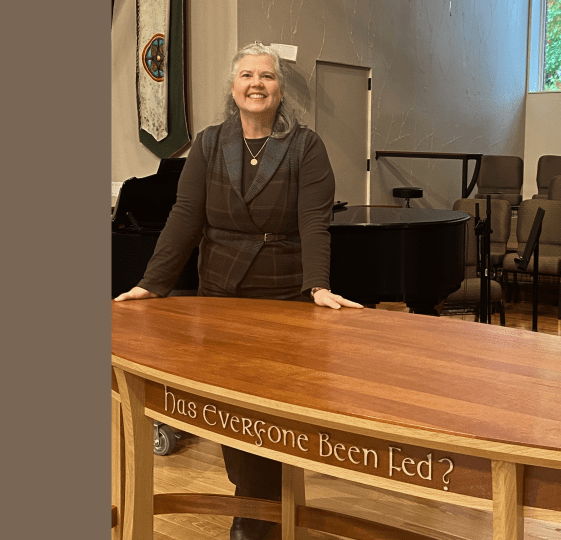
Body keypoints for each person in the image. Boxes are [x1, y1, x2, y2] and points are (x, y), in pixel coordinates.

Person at [115, 43, 362, 540]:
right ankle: (252, 501)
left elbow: (315, 221)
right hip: (220, 288)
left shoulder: (305, 145)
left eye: (267, 76)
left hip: (282, 288)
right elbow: (185, 216)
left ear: (280, 89)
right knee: (229, 402)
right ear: (233, 89)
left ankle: (259, 506)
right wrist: (151, 282)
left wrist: (317, 284)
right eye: (246, 75)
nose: (257, 84)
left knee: (270, 402)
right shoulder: (208, 143)